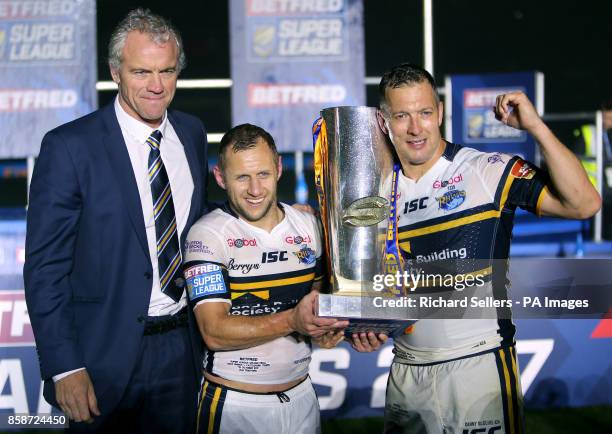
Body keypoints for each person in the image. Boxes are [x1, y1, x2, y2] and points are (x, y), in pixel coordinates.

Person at [376, 63, 600, 434]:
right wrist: (363, 327)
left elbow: (584, 204)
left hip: (478, 365)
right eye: (402, 116)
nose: (416, 128)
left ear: (441, 113)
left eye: (425, 113)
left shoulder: (486, 170)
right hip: (405, 371)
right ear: (385, 121)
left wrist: (536, 128)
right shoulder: (375, 192)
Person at [23, 9, 208, 433]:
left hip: (183, 350)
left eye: (167, 71)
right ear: (115, 71)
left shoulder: (192, 132)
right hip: (102, 357)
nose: (157, 85)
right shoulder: (69, 147)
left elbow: (199, 222)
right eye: (142, 71)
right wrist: (64, 366)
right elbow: (45, 268)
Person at [184, 123, 381, 434]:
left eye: (262, 174)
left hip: (302, 396)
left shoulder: (310, 225)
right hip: (235, 404)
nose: (255, 190)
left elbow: (317, 307)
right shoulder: (207, 234)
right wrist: (294, 321)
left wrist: (331, 330)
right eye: (241, 178)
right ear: (220, 177)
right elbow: (214, 332)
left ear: (278, 168)